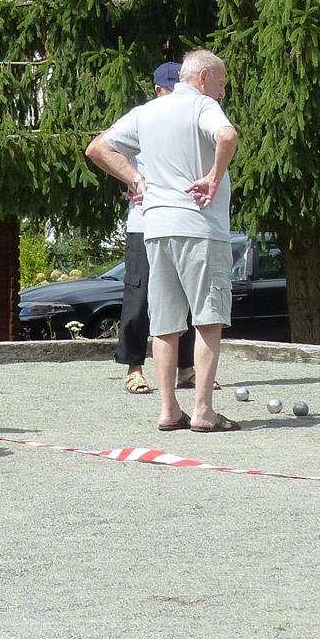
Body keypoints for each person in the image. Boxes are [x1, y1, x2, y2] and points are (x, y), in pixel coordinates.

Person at [85, 50, 241, 432]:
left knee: (165, 324)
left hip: (156, 228)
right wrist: (214, 177)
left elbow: (97, 147)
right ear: (204, 77)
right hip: (199, 227)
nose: (222, 92)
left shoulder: (147, 111)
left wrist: (135, 180)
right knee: (207, 319)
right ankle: (203, 411)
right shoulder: (202, 106)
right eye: (221, 82)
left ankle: (169, 410)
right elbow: (228, 135)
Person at [113, 62, 196, 395]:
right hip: (144, 223)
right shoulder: (143, 117)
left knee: (186, 297)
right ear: (159, 91)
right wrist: (133, 178)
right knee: (140, 295)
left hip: (181, 220)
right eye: (172, 91)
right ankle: (134, 368)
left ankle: (186, 369)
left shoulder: (188, 121)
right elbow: (103, 147)